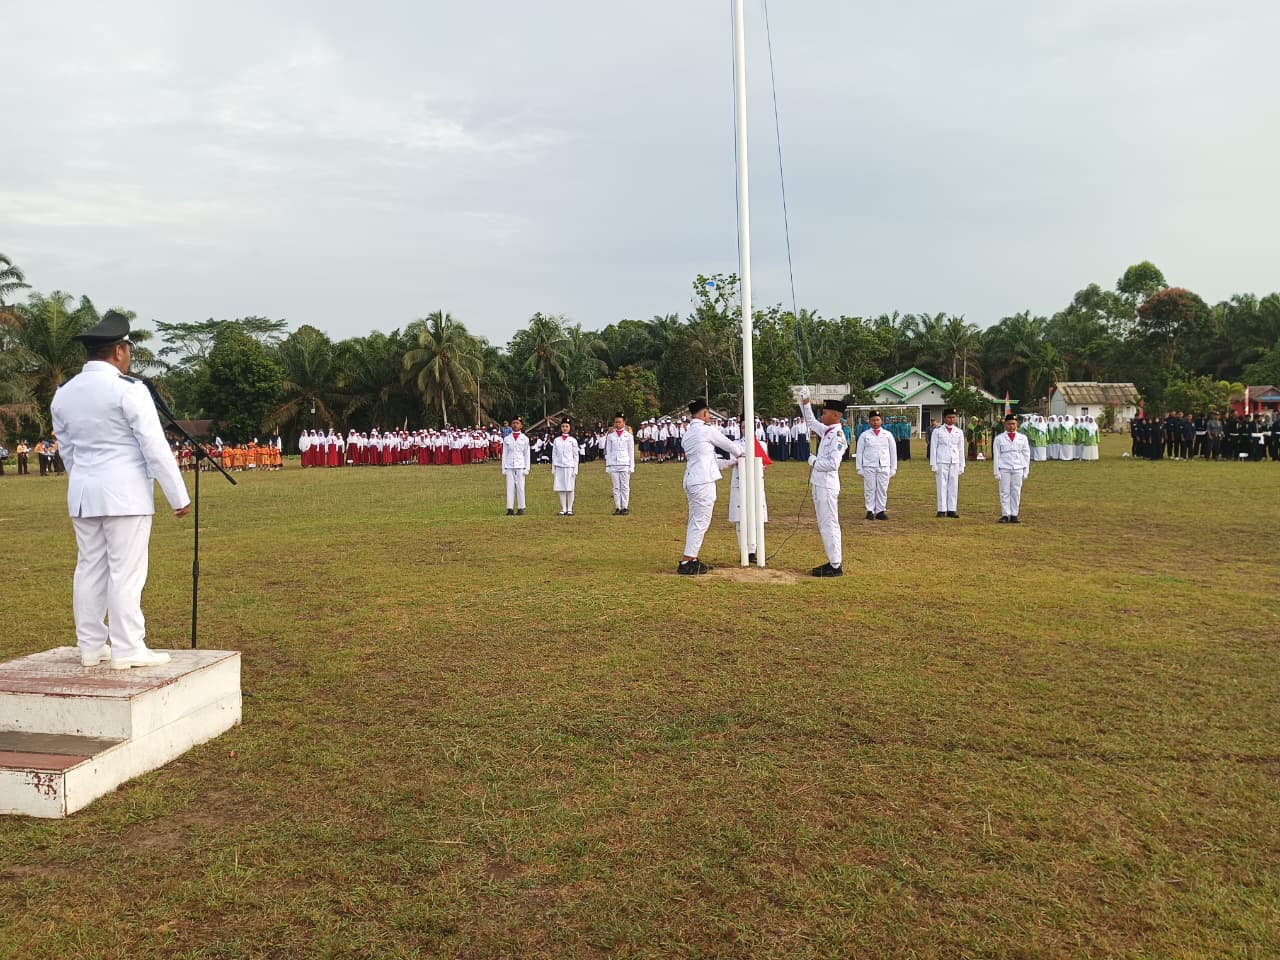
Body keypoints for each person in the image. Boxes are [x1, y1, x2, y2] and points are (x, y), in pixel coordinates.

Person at [49, 311, 190, 669]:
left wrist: (83, 480)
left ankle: (92, 646)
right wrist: (178, 495)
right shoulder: (129, 390)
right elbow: (154, 447)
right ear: (118, 352)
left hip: (84, 493)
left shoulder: (64, 394)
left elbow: (66, 449)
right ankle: (128, 648)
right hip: (125, 493)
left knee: (90, 568)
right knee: (126, 571)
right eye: (127, 349)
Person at [678, 398, 743, 575]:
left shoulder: (688, 434)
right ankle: (687, 559)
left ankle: (691, 558)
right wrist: (742, 453)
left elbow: (709, 460)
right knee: (700, 522)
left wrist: (732, 462)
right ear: (705, 413)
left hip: (692, 479)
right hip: (702, 481)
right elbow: (728, 444)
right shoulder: (705, 431)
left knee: (695, 520)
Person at [799, 389, 849, 577]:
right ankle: (832, 561)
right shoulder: (827, 431)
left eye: (826, 413)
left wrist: (813, 461)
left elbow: (833, 464)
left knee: (829, 524)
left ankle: (835, 565)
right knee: (824, 523)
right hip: (819, 484)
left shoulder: (837, 437)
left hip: (827, 485)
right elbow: (811, 422)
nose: (823, 415)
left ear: (835, 415)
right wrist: (805, 402)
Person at [855, 410, 897, 520]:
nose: (875, 422)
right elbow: (859, 452)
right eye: (873, 420)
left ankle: (880, 511)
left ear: (881, 421)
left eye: (877, 420)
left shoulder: (887, 435)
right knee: (870, 489)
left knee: (882, 489)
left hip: (884, 466)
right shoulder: (864, 435)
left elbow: (893, 452)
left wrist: (893, 467)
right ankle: (870, 510)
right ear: (869, 421)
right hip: (869, 465)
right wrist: (859, 468)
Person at [992, 412, 1031, 523]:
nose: (1011, 426)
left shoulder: (1022, 438)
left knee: (1016, 491)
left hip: (1018, 467)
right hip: (1004, 467)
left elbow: (1026, 454)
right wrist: (996, 471)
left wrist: (1026, 470)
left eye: (1013, 424)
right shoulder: (999, 438)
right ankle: (1005, 514)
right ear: (1005, 424)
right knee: (1004, 491)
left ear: (1017, 424)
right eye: (1009, 424)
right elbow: (997, 455)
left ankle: (1014, 514)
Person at [929, 407, 965, 518]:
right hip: (941, 460)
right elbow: (933, 447)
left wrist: (962, 464)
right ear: (944, 418)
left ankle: (952, 509)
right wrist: (933, 464)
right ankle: (941, 509)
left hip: (954, 461)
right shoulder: (937, 431)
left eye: (953, 417)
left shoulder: (958, 432)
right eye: (949, 417)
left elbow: (961, 449)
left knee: (953, 485)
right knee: (941, 485)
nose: (952, 419)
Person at [603, 411, 635, 515]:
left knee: (625, 486)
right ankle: (617, 507)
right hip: (613, 463)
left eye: (619, 422)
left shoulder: (628, 436)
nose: (617, 424)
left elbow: (631, 451)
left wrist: (632, 466)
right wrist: (607, 465)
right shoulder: (611, 436)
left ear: (624, 423)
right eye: (616, 422)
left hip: (625, 463)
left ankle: (625, 507)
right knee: (616, 487)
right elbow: (608, 451)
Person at [501, 416, 531, 515]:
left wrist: (527, 468)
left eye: (517, 423)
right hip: (509, 465)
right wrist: (503, 467)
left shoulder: (525, 439)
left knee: (520, 487)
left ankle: (521, 507)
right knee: (509, 487)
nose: (515, 425)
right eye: (513, 423)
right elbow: (504, 453)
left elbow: (527, 454)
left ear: (521, 425)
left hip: (520, 465)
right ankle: (510, 508)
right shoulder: (507, 438)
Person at [551, 418, 580, 516]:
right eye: (563, 426)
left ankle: (570, 508)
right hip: (559, 466)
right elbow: (554, 454)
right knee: (561, 488)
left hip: (569, 466)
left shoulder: (573, 440)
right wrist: (553, 467)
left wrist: (575, 469)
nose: (565, 428)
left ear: (570, 428)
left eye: (567, 426)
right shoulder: (556, 440)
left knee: (570, 488)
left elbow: (576, 456)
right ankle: (563, 508)